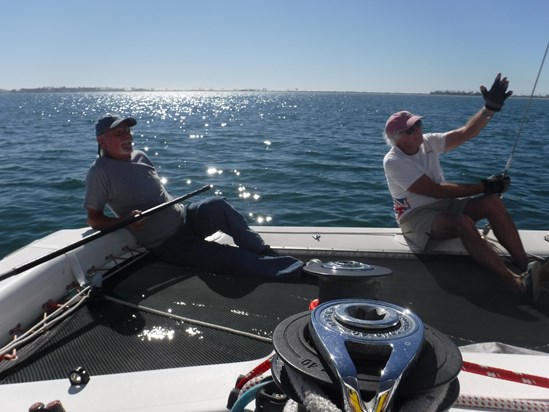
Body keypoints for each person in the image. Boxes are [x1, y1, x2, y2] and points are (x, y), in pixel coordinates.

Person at [382, 73, 541, 303]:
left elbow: (466, 133)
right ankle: (516, 284)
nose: (418, 131)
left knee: (492, 202)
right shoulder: (393, 161)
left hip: (442, 206)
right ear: (396, 139)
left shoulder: (428, 142)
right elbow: (436, 191)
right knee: (463, 223)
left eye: (418, 124)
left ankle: (527, 268)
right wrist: (486, 186)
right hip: (415, 216)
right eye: (410, 130)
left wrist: (490, 108)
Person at [84, 115, 303, 279]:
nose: (128, 136)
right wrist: (126, 220)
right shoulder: (100, 172)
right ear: (102, 141)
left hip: (185, 217)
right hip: (169, 243)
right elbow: (94, 218)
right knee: (228, 257)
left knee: (217, 205)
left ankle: (262, 251)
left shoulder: (140, 155)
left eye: (128, 131)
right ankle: (298, 271)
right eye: (119, 133)